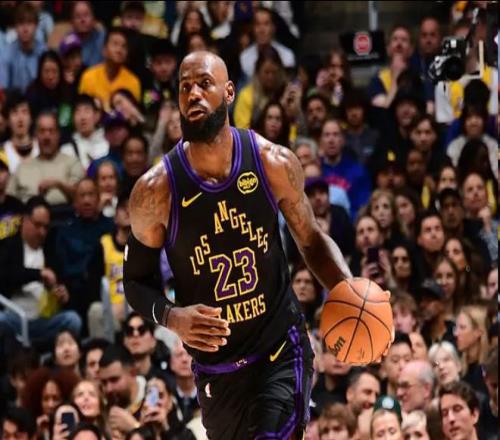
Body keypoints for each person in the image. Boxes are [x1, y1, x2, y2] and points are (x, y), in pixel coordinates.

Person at [123, 51, 371, 439]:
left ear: (229, 92)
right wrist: (173, 318)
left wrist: (348, 290)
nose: (193, 94)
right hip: (218, 370)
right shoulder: (155, 191)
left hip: (280, 347)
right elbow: (135, 282)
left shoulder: (272, 162)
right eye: (185, 87)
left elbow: (311, 240)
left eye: (204, 84)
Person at [78, 27, 141, 112]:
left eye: (124, 46)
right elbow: (83, 110)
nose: (119, 50)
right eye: (115, 44)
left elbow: (133, 115)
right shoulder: (88, 77)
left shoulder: (133, 82)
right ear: (104, 50)